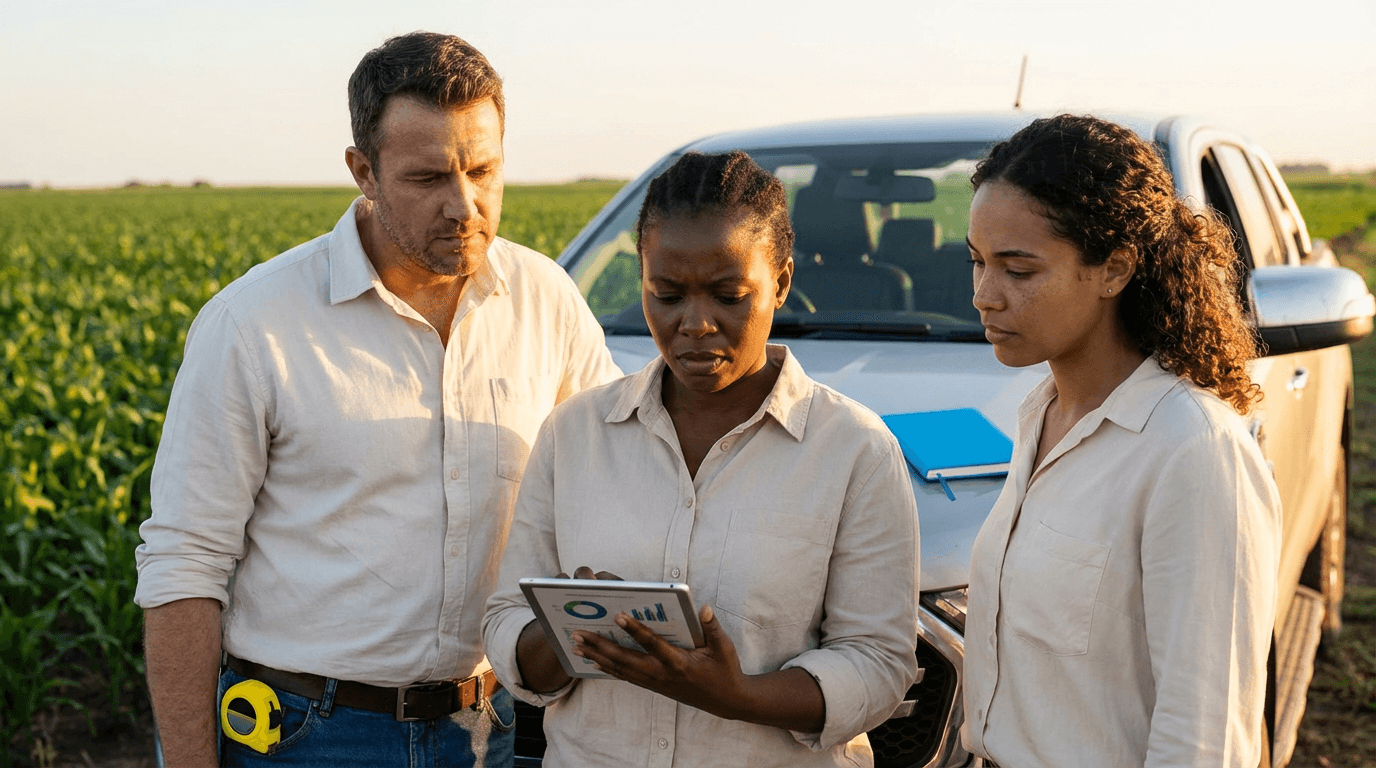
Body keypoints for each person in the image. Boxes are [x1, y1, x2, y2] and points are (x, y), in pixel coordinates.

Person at [134, 32, 619, 767]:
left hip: (489, 727)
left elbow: (618, 479)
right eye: (428, 179)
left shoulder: (546, 300)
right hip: (304, 734)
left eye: (483, 170)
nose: (465, 205)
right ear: (363, 170)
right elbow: (182, 565)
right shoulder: (253, 324)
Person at [483, 150, 921, 767]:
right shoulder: (575, 433)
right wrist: (571, 635)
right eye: (666, 294)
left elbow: (878, 662)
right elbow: (505, 620)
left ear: (783, 282)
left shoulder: (854, 449)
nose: (695, 323)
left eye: (728, 295)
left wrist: (740, 696)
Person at [960, 114, 1281, 766]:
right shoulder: (1040, 414)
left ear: (1114, 270)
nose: (984, 296)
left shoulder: (1193, 453)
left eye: (1018, 271)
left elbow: (1205, 743)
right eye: (977, 263)